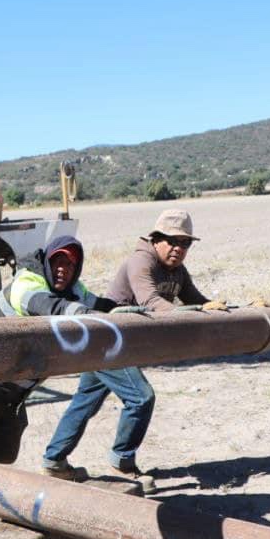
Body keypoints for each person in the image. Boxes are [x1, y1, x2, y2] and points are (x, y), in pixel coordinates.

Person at [41, 208, 222, 488]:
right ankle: (122, 461)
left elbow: (196, 300)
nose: (178, 248)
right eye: (172, 241)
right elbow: (152, 302)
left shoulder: (177, 271)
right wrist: (193, 313)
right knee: (141, 397)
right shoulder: (141, 261)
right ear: (156, 239)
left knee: (85, 400)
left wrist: (219, 311)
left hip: (118, 344)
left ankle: (54, 460)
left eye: (185, 243)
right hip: (108, 341)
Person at [0, 236, 115, 496]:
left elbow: (100, 304)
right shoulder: (27, 283)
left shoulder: (73, 290)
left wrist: (126, 310)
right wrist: (86, 316)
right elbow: (46, 306)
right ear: (47, 262)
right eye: (58, 261)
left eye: (70, 264)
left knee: (4, 453)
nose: (63, 269)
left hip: (11, 395)